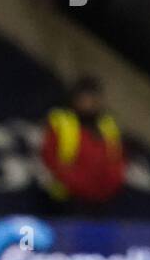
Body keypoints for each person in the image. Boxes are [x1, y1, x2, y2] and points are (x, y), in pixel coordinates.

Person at [40, 76, 126, 209]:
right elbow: (50, 159)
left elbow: (116, 161)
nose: (89, 103)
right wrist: (77, 184)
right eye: (84, 98)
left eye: (93, 98)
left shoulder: (108, 125)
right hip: (65, 199)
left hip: (101, 200)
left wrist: (107, 188)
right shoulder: (61, 122)